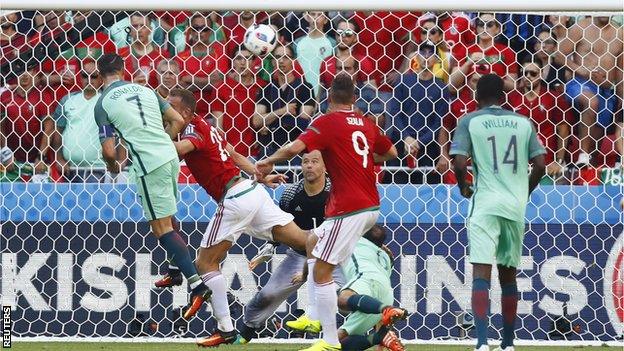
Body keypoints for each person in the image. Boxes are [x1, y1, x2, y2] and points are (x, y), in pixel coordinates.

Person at [256, 73, 401, 351]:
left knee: (322, 272)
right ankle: (312, 315)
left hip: (349, 208)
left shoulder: (326, 122)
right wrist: (359, 157)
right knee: (312, 241)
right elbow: (392, 152)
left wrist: (267, 161)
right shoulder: (366, 123)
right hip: (371, 205)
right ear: (355, 98)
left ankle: (330, 341)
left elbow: (294, 148)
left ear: (329, 97)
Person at [156, 89, 310, 348]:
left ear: (185, 113)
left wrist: (146, 137)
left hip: (235, 198)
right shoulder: (206, 125)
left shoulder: (194, 130)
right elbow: (233, 154)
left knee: (205, 264)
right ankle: (352, 251)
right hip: (253, 192)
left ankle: (225, 330)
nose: (165, 112)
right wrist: (259, 174)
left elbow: (175, 150)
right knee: (306, 242)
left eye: (170, 107)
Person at [93, 53, 210, 321]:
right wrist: (162, 144)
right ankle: (174, 270)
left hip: (148, 164)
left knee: (161, 228)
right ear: (124, 71)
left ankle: (197, 285)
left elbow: (109, 152)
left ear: (100, 77)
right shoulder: (146, 90)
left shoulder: (103, 104)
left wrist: (113, 168)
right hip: (170, 158)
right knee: (168, 216)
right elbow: (179, 121)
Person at [449, 74, 546, 351]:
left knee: (482, 271)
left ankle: (481, 342)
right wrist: (523, 191)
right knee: (508, 275)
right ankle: (508, 343)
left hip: (486, 202)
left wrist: (464, 186)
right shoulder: (522, 122)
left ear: (477, 96)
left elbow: (458, 163)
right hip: (514, 205)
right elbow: (540, 164)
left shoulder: (470, 120)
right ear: (503, 96)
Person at [236, 150, 344, 344]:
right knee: (267, 295)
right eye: (305, 162)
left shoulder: (337, 193)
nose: (309, 166)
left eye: (314, 161)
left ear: (326, 167)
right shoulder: (290, 194)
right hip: (299, 255)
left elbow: (349, 226)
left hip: (331, 257)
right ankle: (245, 333)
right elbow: (280, 226)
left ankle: (367, 333)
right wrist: (267, 251)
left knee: (347, 298)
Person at [556, 16, 623, 166]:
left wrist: (621, 97)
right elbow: (559, 56)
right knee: (591, 101)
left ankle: (588, 163)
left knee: (595, 147)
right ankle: (583, 154)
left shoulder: (620, 33)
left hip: (606, 90)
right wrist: (581, 70)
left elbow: (620, 70)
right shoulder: (581, 27)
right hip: (579, 83)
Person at [53, 59, 125, 182]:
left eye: (94, 76)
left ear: (101, 78)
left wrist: (121, 160)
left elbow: (121, 131)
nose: (89, 80)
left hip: (99, 169)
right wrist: (59, 159)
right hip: (69, 169)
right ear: (80, 77)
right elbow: (58, 131)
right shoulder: (67, 100)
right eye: (85, 76)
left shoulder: (107, 101)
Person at [389, 41, 449, 183]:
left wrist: (419, 143)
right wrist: (406, 138)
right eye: (422, 52)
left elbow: (438, 123)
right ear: (416, 56)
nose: (426, 56)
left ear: (437, 59)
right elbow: (395, 113)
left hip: (427, 148)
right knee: (398, 189)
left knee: (427, 193)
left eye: (431, 53)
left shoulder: (441, 87)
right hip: (401, 144)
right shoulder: (403, 81)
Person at [506, 58, 573, 177]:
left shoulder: (554, 98)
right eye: (524, 73)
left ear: (541, 74)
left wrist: (559, 161)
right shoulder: (511, 98)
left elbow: (563, 130)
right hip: (517, 164)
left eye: (533, 73)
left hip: (548, 164)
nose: (528, 76)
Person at [253, 44, 315, 160]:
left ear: (293, 61)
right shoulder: (266, 89)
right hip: (270, 150)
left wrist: (269, 123)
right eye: (277, 57)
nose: (281, 61)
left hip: (295, 150)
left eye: (286, 57)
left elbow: (302, 122)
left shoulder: (305, 87)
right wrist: (283, 111)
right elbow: (256, 121)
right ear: (272, 62)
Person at [212, 46, 264, 158]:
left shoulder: (263, 86)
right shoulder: (221, 88)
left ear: (254, 62)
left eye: (247, 58)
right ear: (233, 62)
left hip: (256, 154)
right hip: (229, 153)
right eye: (239, 58)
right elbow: (218, 126)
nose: (243, 62)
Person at [450, 13, 517, 93]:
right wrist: (468, 63)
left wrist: (496, 79)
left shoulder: (506, 51)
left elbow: (513, 87)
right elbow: (452, 85)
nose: (484, 27)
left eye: (489, 24)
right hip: (468, 101)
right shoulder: (465, 49)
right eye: (481, 24)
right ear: (477, 28)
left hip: (495, 101)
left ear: (498, 29)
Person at [118, 12, 170, 89]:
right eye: (135, 26)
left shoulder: (162, 55)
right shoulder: (120, 54)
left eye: (143, 26)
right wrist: (132, 85)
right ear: (130, 30)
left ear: (150, 29)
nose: (139, 30)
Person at [294, 11, 336, 96]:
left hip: (323, 93)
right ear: (308, 17)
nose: (316, 17)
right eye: (313, 14)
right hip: (301, 92)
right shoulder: (298, 42)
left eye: (320, 15)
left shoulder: (332, 43)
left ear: (325, 20)